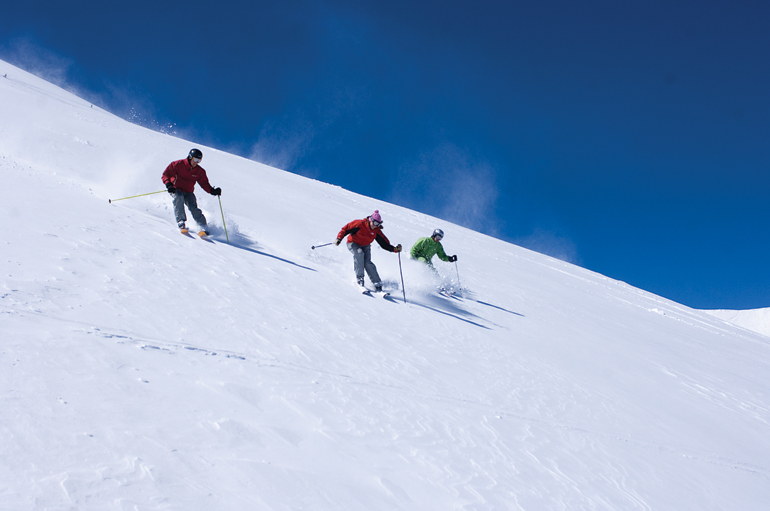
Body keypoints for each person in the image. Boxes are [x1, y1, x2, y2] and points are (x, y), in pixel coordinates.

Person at [336, 210, 402, 291]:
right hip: (353, 243)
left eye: (378, 224)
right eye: (375, 223)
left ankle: (377, 283)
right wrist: (339, 238)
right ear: (370, 220)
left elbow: (384, 243)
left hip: (365, 246)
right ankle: (360, 278)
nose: (376, 226)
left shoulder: (376, 230)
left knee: (367, 262)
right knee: (359, 254)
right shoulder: (359, 224)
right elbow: (345, 229)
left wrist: (394, 249)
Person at [161, 148, 222, 234]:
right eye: (196, 159)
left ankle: (203, 226)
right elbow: (166, 174)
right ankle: (181, 221)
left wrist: (212, 191)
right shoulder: (178, 164)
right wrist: (169, 184)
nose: (197, 162)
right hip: (176, 189)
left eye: (199, 160)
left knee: (193, 207)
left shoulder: (200, 171)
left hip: (188, 192)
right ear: (190, 157)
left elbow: (204, 183)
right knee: (179, 198)